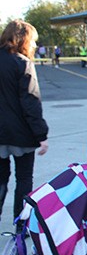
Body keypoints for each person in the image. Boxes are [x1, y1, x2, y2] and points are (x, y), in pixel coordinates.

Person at [0, 20, 49, 231]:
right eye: (34, 41)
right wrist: (41, 135)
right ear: (24, 40)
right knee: (24, 179)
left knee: (1, 179)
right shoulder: (22, 63)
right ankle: (21, 225)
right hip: (21, 134)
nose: (35, 46)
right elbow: (30, 102)